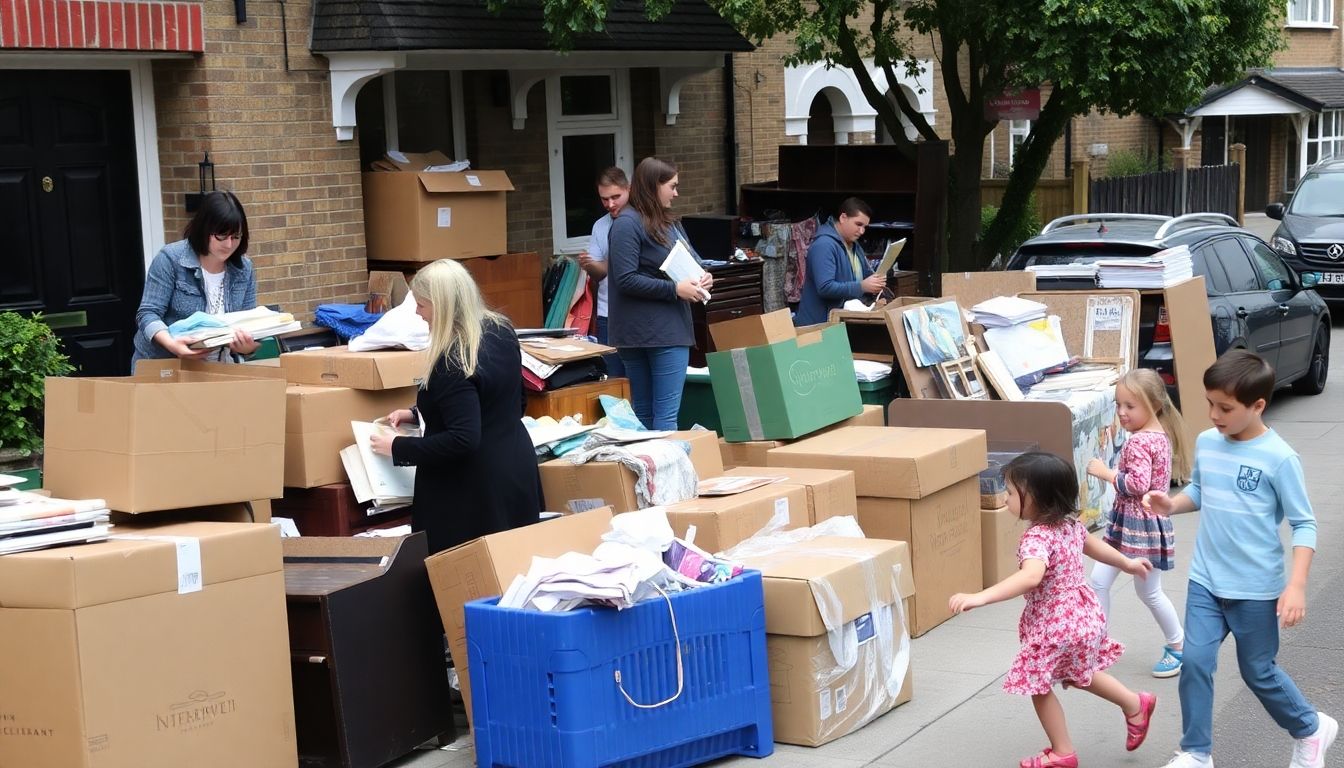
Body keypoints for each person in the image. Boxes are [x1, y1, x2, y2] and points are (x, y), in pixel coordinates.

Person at [1146, 350, 1335, 768]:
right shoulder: (1207, 442)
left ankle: (1310, 728)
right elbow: (1200, 489)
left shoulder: (1279, 458)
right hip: (1206, 580)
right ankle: (1196, 753)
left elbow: (1304, 524)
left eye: (1225, 408)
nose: (1214, 415)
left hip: (1255, 589)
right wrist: (1172, 504)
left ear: (1258, 405)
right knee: (1195, 662)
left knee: (1258, 672)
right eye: (1209, 403)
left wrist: (1296, 585)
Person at [950, 452, 1158, 768]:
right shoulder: (1070, 525)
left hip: (1056, 623)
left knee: (1038, 683)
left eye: (1011, 493)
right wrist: (1127, 563)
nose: (1005, 499)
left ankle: (1063, 752)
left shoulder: (1037, 538)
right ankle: (1134, 703)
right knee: (1078, 672)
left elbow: (1030, 577)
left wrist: (981, 597)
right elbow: (1095, 546)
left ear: (1036, 498)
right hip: (1083, 616)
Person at [368, 258, 540, 555]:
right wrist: (419, 414)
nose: (418, 313)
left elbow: (463, 438)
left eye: (421, 305)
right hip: (516, 467)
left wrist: (398, 447)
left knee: (467, 575)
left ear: (442, 305)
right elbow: (508, 399)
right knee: (517, 567)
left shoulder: (452, 359)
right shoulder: (501, 330)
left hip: (471, 491)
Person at [1086, 368, 1190, 678]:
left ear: (1154, 404)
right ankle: (1097, 646)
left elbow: (1138, 484)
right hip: (1141, 526)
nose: (1122, 412)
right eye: (1118, 405)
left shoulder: (1139, 442)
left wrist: (1105, 473)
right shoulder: (1160, 435)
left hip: (1136, 529)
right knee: (1103, 581)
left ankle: (1178, 646)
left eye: (1130, 406)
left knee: (1146, 591)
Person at [607, 157, 713, 430]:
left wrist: (704, 276)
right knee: (659, 417)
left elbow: (694, 260)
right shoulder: (627, 223)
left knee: (649, 415)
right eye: (672, 186)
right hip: (653, 333)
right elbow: (625, 279)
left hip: (658, 330)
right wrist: (675, 289)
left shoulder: (669, 222)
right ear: (654, 185)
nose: (676, 193)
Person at [132, 190, 259, 365]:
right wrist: (172, 344)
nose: (229, 244)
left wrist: (246, 347)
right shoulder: (170, 259)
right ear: (204, 229)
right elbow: (148, 314)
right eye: (221, 236)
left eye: (235, 237)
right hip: (166, 366)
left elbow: (248, 323)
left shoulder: (244, 268)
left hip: (219, 367)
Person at [792, 197, 886, 326]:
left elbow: (864, 275)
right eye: (858, 224)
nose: (862, 231)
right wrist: (862, 286)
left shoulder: (854, 245)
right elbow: (825, 287)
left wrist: (875, 283)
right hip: (820, 326)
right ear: (843, 218)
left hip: (841, 321)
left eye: (865, 227)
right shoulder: (824, 245)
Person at [577, 166, 629, 377]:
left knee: (636, 379)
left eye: (616, 197)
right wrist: (590, 265)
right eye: (604, 199)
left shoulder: (641, 221)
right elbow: (600, 275)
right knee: (612, 377)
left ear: (629, 189)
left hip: (634, 313)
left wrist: (606, 263)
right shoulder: (600, 225)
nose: (610, 204)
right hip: (607, 313)